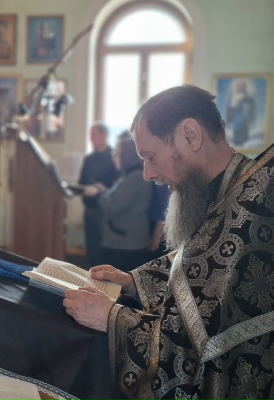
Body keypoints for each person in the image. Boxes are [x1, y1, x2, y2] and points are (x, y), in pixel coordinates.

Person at [63, 84, 274, 399]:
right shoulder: (224, 195)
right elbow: (199, 267)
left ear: (190, 135)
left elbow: (193, 351)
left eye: (151, 157)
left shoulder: (257, 206)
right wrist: (134, 282)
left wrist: (112, 317)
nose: (147, 174)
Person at [89, 131, 153, 272]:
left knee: (115, 282)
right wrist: (104, 191)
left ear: (127, 155)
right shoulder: (129, 175)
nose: (113, 158)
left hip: (127, 244)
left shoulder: (136, 177)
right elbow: (118, 197)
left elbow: (114, 205)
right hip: (122, 240)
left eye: (116, 154)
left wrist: (97, 194)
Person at [77, 124, 120, 267]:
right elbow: (81, 182)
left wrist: (101, 189)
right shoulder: (88, 159)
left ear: (104, 135)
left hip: (104, 211)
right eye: (90, 135)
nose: (90, 139)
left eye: (93, 135)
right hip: (89, 208)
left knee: (104, 251)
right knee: (91, 249)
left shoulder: (114, 158)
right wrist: (84, 188)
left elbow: (118, 186)